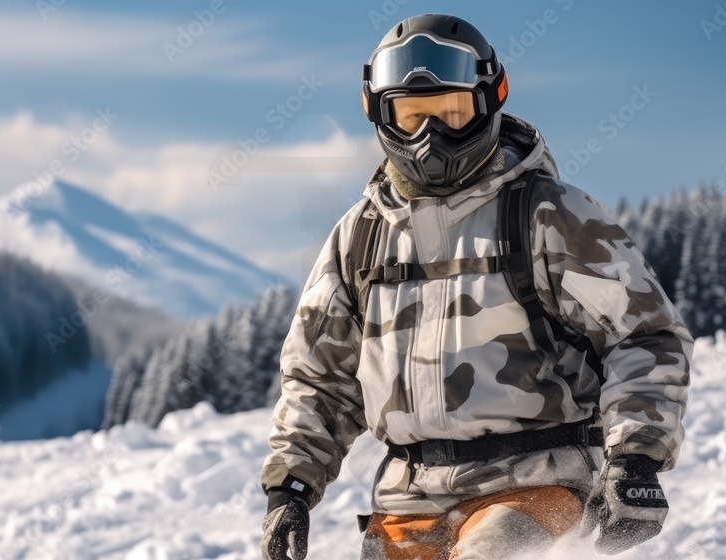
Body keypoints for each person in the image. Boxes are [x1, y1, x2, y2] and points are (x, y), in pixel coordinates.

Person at [261, 13, 692, 560]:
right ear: (379, 114)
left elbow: (645, 335)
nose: (430, 137)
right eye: (413, 116)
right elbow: (319, 378)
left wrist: (635, 456)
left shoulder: (548, 214)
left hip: (536, 481)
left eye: (451, 113)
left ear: (491, 99)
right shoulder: (360, 236)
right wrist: (289, 489)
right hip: (408, 498)